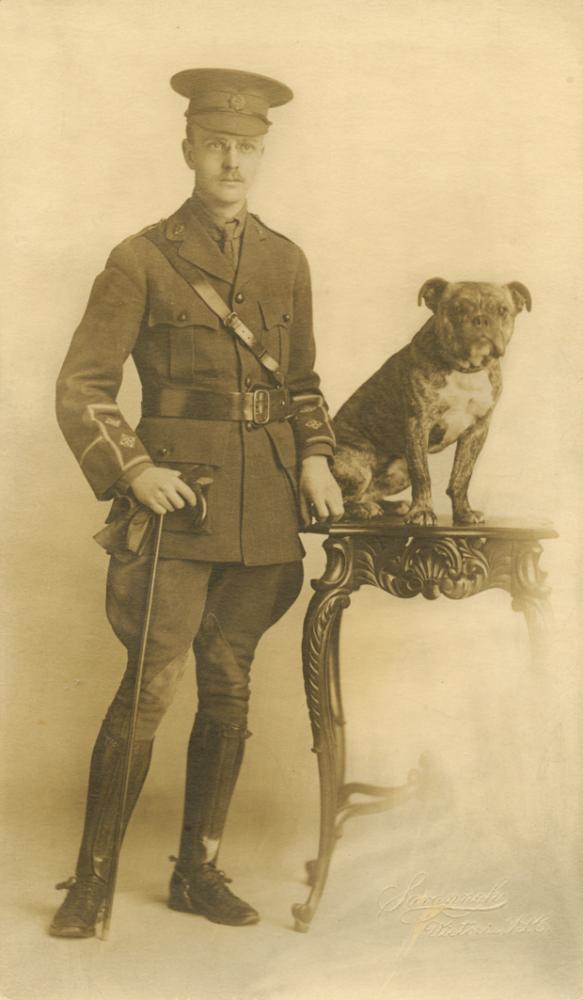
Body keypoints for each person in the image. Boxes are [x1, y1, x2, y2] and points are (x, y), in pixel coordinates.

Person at [51, 67, 344, 938]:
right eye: (215, 144)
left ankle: (196, 870)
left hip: (265, 518)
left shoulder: (287, 260)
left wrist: (319, 458)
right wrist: (133, 470)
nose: (231, 160)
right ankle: (91, 883)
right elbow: (83, 386)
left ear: (262, 154)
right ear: (188, 149)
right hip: (180, 510)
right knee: (148, 687)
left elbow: (302, 384)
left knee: (228, 686)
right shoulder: (138, 259)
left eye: (246, 147)